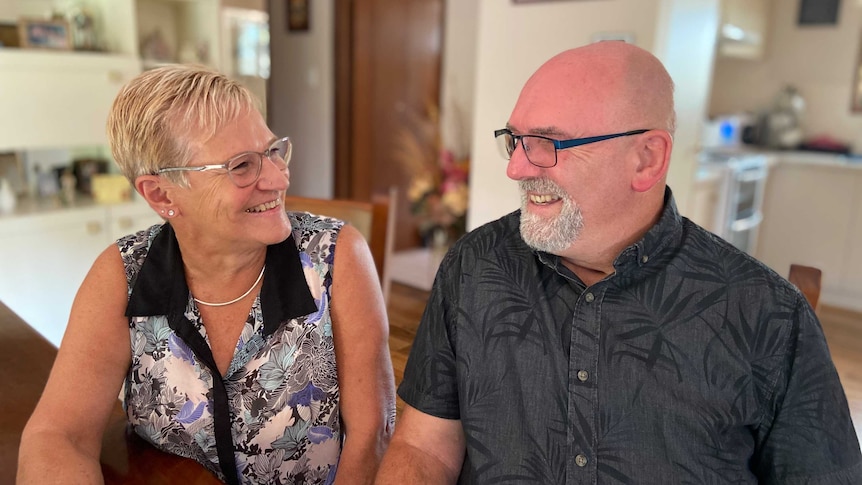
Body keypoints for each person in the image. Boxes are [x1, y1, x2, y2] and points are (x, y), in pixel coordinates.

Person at [375, 42, 862, 484]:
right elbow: (423, 447)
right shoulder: (473, 268)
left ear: (646, 158)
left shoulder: (768, 315)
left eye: (549, 142)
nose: (516, 168)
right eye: (516, 139)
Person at [18, 64, 396, 485]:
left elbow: (372, 438)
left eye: (273, 150)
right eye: (241, 166)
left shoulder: (335, 259)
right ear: (161, 194)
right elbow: (59, 435)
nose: (278, 177)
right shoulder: (124, 275)